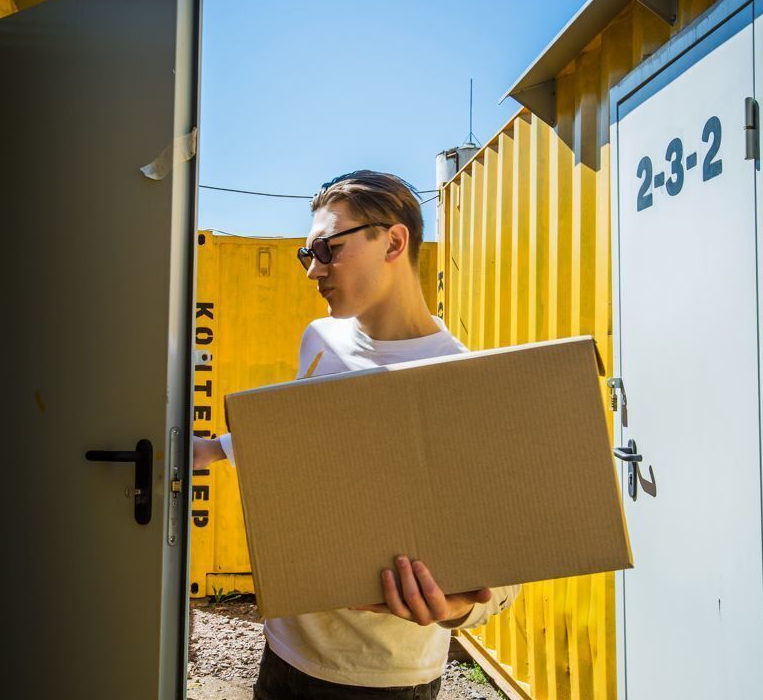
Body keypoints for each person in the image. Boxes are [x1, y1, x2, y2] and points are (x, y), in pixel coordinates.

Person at [192, 170, 520, 699]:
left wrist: (460, 606)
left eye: (326, 248)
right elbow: (306, 432)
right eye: (307, 254)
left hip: (383, 680)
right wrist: (213, 449)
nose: (312, 270)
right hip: (283, 653)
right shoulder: (320, 337)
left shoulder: (458, 378)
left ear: (393, 241)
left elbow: (504, 568)